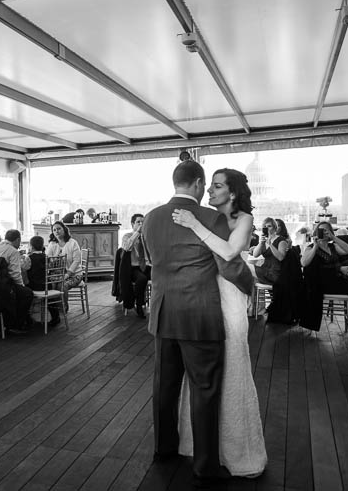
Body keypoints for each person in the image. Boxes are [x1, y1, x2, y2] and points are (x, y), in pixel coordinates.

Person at [142, 160, 254, 487]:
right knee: (204, 390)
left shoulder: (150, 218)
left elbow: (151, 259)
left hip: (163, 313)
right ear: (198, 183)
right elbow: (229, 265)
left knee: (164, 386)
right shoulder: (211, 218)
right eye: (207, 185)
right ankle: (205, 466)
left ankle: (164, 449)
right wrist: (251, 286)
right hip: (199, 316)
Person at [171, 168, 267, 478]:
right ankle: (199, 444)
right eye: (209, 186)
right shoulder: (209, 217)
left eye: (217, 186)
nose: (209, 191)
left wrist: (193, 223)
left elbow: (228, 250)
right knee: (203, 372)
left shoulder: (244, 220)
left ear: (233, 193)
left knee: (233, 363)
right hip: (202, 299)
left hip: (228, 299)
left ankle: (237, 450)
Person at [300, 221, 348, 332]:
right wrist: (316, 246)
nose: (324, 232)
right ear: (317, 232)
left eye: (327, 230)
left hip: (335, 280)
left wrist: (333, 238)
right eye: (321, 230)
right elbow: (304, 263)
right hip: (320, 283)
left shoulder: (333, 246)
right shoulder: (310, 248)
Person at [0, 230, 34, 333]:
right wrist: (22, 286)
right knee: (27, 294)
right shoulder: (13, 251)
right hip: (3, 287)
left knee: (16, 291)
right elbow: (15, 275)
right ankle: (16, 323)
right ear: (17, 240)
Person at [45, 220, 82, 325]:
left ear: (64, 230)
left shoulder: (72, 243)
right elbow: (48, 259)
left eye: (59, 229)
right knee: (49, 284)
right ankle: (54, 310)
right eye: (54, 230)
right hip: (57, 274)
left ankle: (63, 308)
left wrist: (68, 274)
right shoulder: (52, 244)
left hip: (75, 274)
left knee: (62, 285)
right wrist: (52, 260)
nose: (57, 231)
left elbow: (77, 261)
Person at [121, 213, 150, 318]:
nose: (141, 224)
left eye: (143, 222)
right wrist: (137, 232)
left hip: (147, 265)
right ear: (132, 224)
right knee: (142, 279)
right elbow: (127, 247)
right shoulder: (127, 236)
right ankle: (139, 305)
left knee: (163, 275)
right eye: (138, 222)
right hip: (134, 267)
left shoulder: (147, 237)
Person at [252, 218, 291, 285]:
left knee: (247, 269)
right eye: (265, 227)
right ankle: (250, 294)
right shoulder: (264, 241)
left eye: (269, 226)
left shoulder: (281, 240)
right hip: (265, 270)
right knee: (247, 272)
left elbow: (281, 257)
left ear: (275, 228)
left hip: (275, 274)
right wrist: (261, 243)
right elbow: (255, 254)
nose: (267, 228)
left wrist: (270, 244)